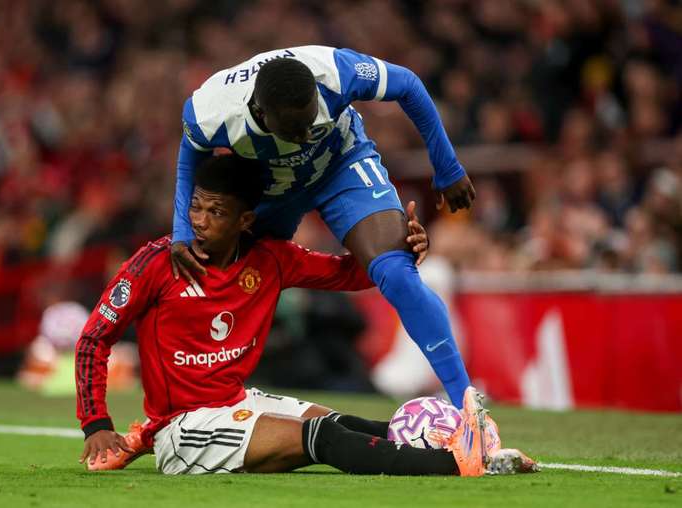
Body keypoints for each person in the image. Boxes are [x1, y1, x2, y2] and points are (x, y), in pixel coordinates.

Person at [76, 154, 537, 477]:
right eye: (195, 205)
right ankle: (461, 465)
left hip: (234, 403)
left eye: (216, 211)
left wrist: (401, 250)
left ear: (245, 220)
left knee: (344, 425)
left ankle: (459, 440)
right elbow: (94, 338)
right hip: (184, 429)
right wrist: (96, 424)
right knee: (322, 438)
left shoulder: (271, 259)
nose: (198, 220)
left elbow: (350, 273)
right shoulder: (157, 263)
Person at [171, 46, 475, 409]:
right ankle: (202, 403)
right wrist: (182, 231)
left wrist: (447, 166)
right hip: (271, 186)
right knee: (222, 276)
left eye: (310, 119)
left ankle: (467, 406)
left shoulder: (334, 73)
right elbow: (190, 158)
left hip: (341, 165)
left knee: (396, 272)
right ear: (261, 113)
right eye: (293, 128)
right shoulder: (210, 111)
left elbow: (408, 84)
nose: (305, 135)